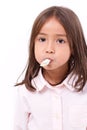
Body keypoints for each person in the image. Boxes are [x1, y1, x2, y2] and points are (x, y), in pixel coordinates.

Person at [14, 6, 87, 130]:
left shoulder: (84, 87)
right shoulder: (26, 91)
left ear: (74, 47)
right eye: (42, 39)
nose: (49, 49)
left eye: (60, 41)